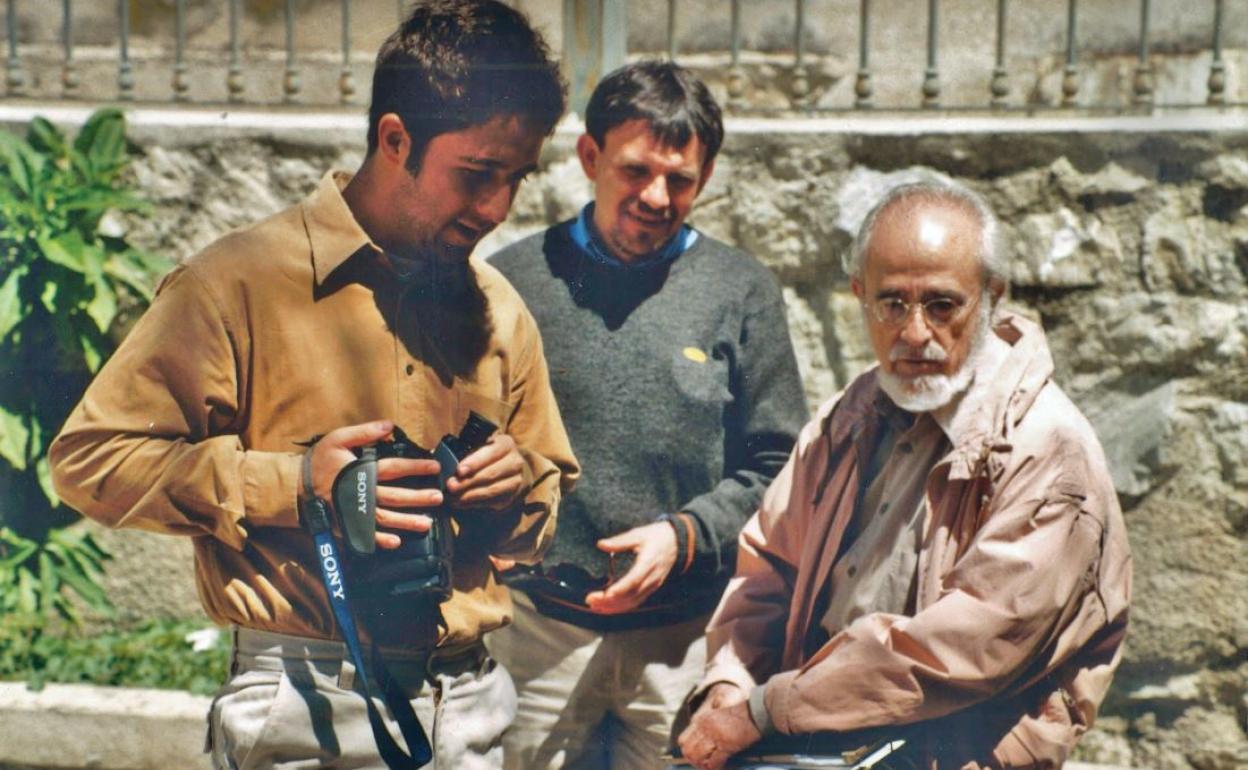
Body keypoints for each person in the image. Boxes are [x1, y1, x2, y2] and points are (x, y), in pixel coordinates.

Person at [49, 2, 579, 768]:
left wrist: (519, 486)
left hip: (470, 714)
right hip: (303, 713)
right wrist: (294, 483)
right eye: (476, 175)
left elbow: (543, 506)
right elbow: (90, 460)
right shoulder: (237, 283)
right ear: (395, 139)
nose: (497, 208)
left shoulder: (502, 311)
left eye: (515, 178)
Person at [677, 181, 1132, 770]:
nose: (915, 333)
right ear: (860, 296)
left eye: (942, 305)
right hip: (811, 738)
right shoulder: (851, 414)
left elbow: (962, 647)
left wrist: (766, 710)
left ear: (990, 297)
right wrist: (730, 684)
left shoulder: (1047, 449)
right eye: (892, 304)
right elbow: (768, 566)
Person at [485, 60, 808, 770]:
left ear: (708, 176)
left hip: (684, 645)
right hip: (534, 636)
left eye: (681, 180)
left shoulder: (741, 290)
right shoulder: (511, 282)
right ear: (590, 157)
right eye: (635, 171)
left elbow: (780, 466)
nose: (656, 197)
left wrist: (684, 537)